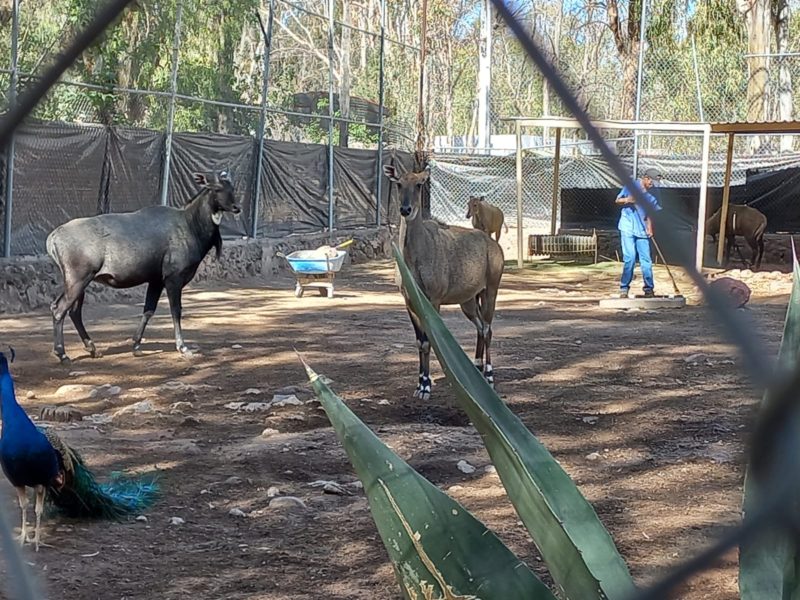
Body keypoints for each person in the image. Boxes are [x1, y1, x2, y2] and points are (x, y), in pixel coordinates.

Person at [615, 167, 663, 298]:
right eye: (651, 182)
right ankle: (624, 288)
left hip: (642, 229)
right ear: (646, 178)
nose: (653, 185)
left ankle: (649, 288)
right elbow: (617, 200)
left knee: (646, 260)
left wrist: (650, 227)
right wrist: (628, 200)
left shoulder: (655, 193)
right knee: (630, 258)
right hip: (628, 226)